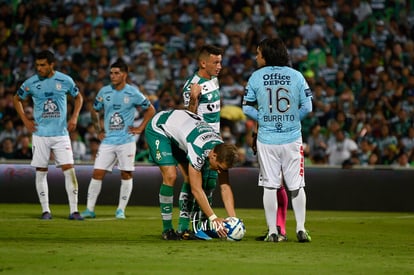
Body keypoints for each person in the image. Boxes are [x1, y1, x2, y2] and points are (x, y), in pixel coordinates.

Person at [242, 38, 313, 242]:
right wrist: (290, 119)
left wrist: (265, 119)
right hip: (292, 138)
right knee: (297, 185)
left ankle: (273, 231)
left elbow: (246, 107)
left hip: (267, 139)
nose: (256, 57)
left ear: (266, 55)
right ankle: (301, 228)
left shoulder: (256, 77)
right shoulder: (296, 76)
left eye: (258, 53)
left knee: (270, 186)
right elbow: (308, 107)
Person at [144, 109, 239, 240]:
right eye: (218, 167)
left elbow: (225, 187)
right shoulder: (198, 150)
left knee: (189, 179)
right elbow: (196, 190)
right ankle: (167, 230)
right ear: (213, 156)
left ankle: (183, 230)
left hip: (181, 131)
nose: (218, 172)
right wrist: (213, 218)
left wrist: (233, 219)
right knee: (171, 176)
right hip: (160, 128)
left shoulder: (221, 149)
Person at [13, 49, 84, 220]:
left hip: (60, 134)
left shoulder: (64, 80)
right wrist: (25, 121)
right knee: (41, 171)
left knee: (69, 170)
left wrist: (74, 117)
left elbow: (79, 98)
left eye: (43, 65)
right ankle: (46, 210)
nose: (39, 68)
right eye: (37, 65)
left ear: (52, 65)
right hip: (40, 134)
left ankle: (74, 211)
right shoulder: (31, 83)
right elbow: (17, 99)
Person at [81, 59, 155, 219]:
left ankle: (120, 210)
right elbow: (94, 110)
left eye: (116, 73)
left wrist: (140, 128)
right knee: (97, 173)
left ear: (124, 74)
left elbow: (151, 109)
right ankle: (89, 209)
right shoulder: (104, 91)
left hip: (126, 141)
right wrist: (98, 130)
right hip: (108, 141)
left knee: (126, 174)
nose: (113, 76)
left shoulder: (133, 92)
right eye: (111, 73)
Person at [178, 45, 223, 239]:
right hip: (199, 142)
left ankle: (204, 225)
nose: (219, 66)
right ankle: (187, 226)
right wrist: (194, 98)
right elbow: (189, 116)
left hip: (215, 140)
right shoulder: (192, 85)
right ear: (203, 63)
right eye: (216, 62)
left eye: (220, 62)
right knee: (196, 183)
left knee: (210, 183)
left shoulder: (214, 80)